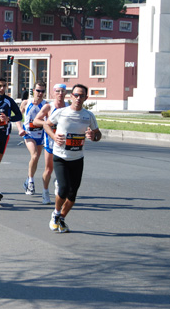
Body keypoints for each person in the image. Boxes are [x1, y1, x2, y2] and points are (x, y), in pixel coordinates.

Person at [44, 84, 101, 233]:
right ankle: (55, 213)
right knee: (63, 188)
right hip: (61, 156)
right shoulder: (61, 112)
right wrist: (54, 136)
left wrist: (93, 136)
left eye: (81, 95)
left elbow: (97, 133)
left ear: (85, 98)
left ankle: (61, 218)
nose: (77, 98)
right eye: (75, 95)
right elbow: (46, 125)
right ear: (71, 96)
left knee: (73, 193)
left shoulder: (88, 116)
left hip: (77, 158)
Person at [33, 84, 69, 204]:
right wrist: (46, 124)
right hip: (50, 142)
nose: (60, 94)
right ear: (53, 93)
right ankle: (45, 191)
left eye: (62, 91)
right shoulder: (49, 107)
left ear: (65, 93)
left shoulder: (69, 107)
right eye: (57, 91)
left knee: (65, 168)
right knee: (49, 169)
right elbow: (36, 121)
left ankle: (58, 183)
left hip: (64, 142)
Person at [16, 80, 47, 196]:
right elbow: (17, 117)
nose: (40, 93)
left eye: (42, 91)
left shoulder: (46, 105)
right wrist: (20, 129)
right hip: (28, 134)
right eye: (38, 90)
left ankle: (29, 178)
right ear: (33, 91)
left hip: (40, 135)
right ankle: (31, 183)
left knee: (36, 159)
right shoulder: (26, 103)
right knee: (33, 155)